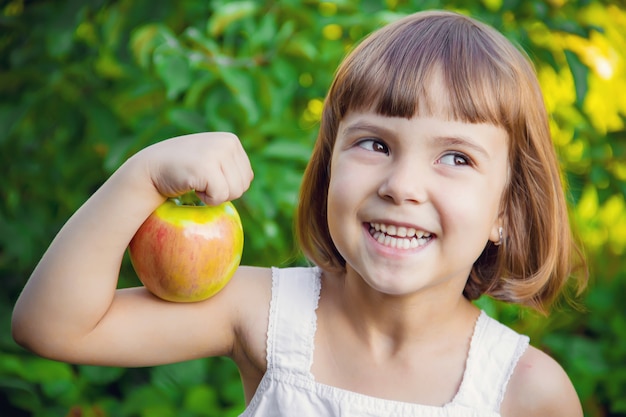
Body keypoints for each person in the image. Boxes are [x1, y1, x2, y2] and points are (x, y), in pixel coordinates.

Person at [12, 10, 587, 417]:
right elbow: (52, 327)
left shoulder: (527, 392)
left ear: (506, 212)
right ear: (329, 166)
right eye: (376, 145)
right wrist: (140, 177)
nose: (403, 186)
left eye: (456, 157)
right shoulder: (263, 314)